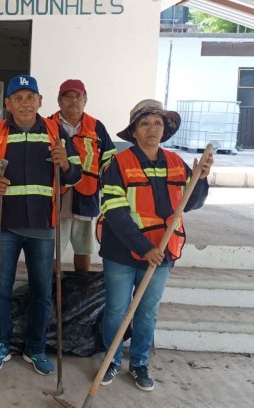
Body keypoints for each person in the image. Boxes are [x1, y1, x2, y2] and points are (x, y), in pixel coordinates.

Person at [0, 75, 81, 375]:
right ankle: (0, 345)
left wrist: (65, 164)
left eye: (31, 97)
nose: (25, 103)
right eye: (18, 98)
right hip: (4, 225)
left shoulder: (57, 134)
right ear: (8, 104)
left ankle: (36, 348)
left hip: (43, 227)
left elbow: (76, 175)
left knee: (42, 291)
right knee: (1, 290)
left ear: (40, 101)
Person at [97, 99, 213, 392]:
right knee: (116, 309)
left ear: (165, 130)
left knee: (147, 312)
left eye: (158, 123)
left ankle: (139, 363)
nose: (152, 129)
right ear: (133, 131)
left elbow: (193, 203)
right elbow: (114, 210)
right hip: (122, 251)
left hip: (162, 254)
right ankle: (110, 360)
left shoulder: (176, 162)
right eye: (145, 123)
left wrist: (200, 178)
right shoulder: (118, 163)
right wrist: (143, 245)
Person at [49, 79, 116, 272]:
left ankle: (82, 286)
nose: (73, 101)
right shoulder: (47, 124)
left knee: (83, 248)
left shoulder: (96, 127)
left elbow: (108, 159)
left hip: (86, 194)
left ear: (85, 100)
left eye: (78, 97)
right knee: (53, 249)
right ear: (59, 101)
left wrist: (108, 187)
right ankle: (52, 288)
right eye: (68, 97)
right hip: (55, 195)